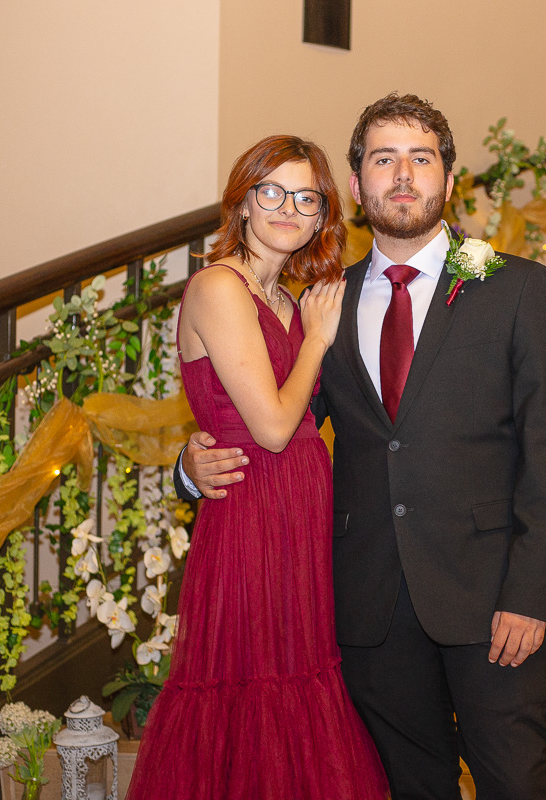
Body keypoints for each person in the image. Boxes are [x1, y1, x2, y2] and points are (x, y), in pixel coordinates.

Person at [177, 94, 546, 800]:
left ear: (449, 179)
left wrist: (530, 595)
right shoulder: (322, 303)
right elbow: (278, 422)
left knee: (515, 782)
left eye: (422, 158)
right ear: (357, 187)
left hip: (488, 596)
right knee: (409, 787)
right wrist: (188, 465)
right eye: (384, 159)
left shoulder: (513, 286)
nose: (403, 174)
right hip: (368, 604)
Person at [127, 134, 389, 799]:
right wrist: (318, 339)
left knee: (298, 682)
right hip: (250, 515)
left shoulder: (290, 300)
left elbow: (310, 414)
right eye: (271, 192)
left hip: (300, 516)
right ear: (243, 202)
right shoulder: (219, 286)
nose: (288, 209)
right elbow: (272, 428)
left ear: (323, 213)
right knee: (251, 689)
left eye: (306, 198)